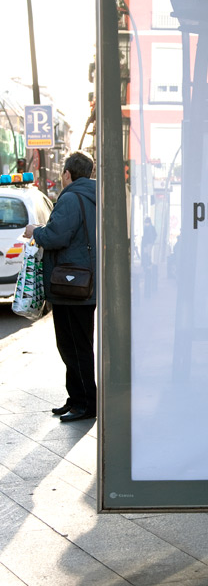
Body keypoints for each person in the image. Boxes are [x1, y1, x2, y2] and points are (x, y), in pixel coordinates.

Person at [24, 151, 97, 423]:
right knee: (79, 344)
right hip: (85, 283)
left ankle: (86, 403)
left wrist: (35, 231)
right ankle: (77, 398)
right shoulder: (94, 195)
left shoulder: (70, 198)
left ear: (67, 173)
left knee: (72, 346)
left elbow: (56, 236)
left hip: (69, 285)